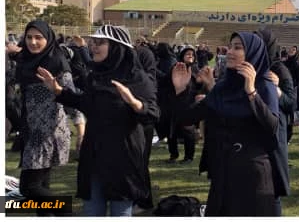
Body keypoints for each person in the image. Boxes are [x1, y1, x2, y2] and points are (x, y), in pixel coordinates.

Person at [39, 24, 158, 217]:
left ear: (117, 48)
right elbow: (86, 104)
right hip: (94, 154)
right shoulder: (95, 75)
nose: (93, 46)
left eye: (100, 42)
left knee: (120, 213)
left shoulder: (137, 77)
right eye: (93, 42)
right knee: (92, 211)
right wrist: (59, 91)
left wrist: (134, 103)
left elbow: (153, 113)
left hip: (123, 158)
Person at [170, 31, 283, 215]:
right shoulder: (223, 87)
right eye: (230, 47)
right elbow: (187, 118)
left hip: (252, 177)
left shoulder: (264, 85)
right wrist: (180, 90)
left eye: (237, 48)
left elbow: (272, 126)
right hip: (223, 173)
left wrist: (251, 92)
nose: (230, 51)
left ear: (252, 53)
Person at [10, 19, 73, 202]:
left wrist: (81, 128)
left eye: (38, 37)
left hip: (48, 133)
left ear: (48, 38)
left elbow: (72, 97)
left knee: (29, 187)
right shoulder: (25, 60)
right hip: (30, 130)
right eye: (29, 37)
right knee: (42, 186)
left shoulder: (57, 62)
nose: (33, 42)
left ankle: (66, 212)